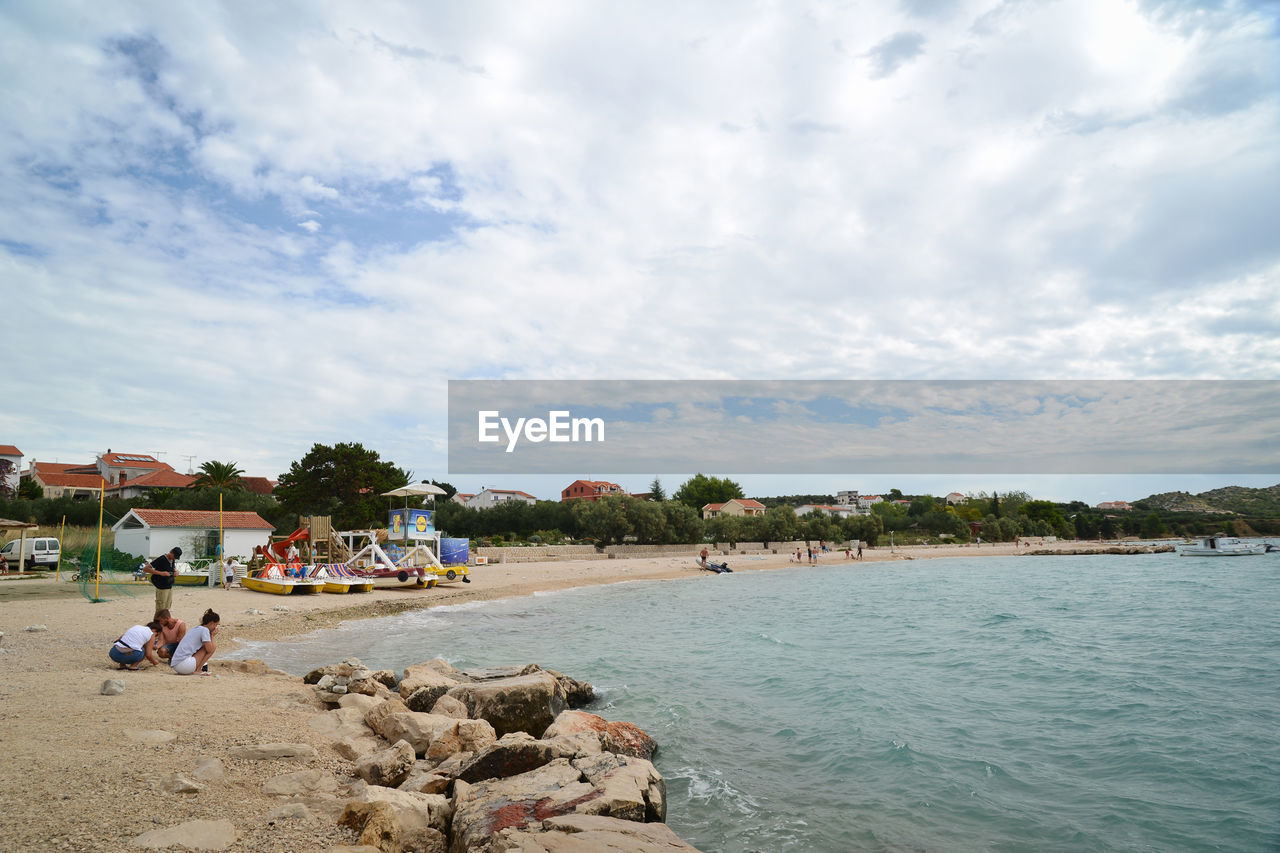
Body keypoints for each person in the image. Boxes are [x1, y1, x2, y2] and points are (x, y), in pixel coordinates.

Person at [171, 608, 219, 676]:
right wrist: (212, 636)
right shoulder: (204, 630)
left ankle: (197, 669)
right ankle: (198, 670)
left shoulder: (196, 629)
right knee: (212, 647)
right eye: (216, 625)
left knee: (206, 646)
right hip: (184, 665)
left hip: (177, 665)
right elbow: (210, 649)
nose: (216, 627)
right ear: (211, 623)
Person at [141, 547, 182, 613]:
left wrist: (176, 571)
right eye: (175, 556)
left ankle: (165, 622)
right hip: (161, 587)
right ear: (171, 552)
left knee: (167, 607)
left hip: (169, 586)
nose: (175, 558)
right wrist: (161, 573)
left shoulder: (172, 559)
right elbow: (145, 569)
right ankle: (157, 622)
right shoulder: (162, 559)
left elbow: (172, 568)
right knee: (160, 608)